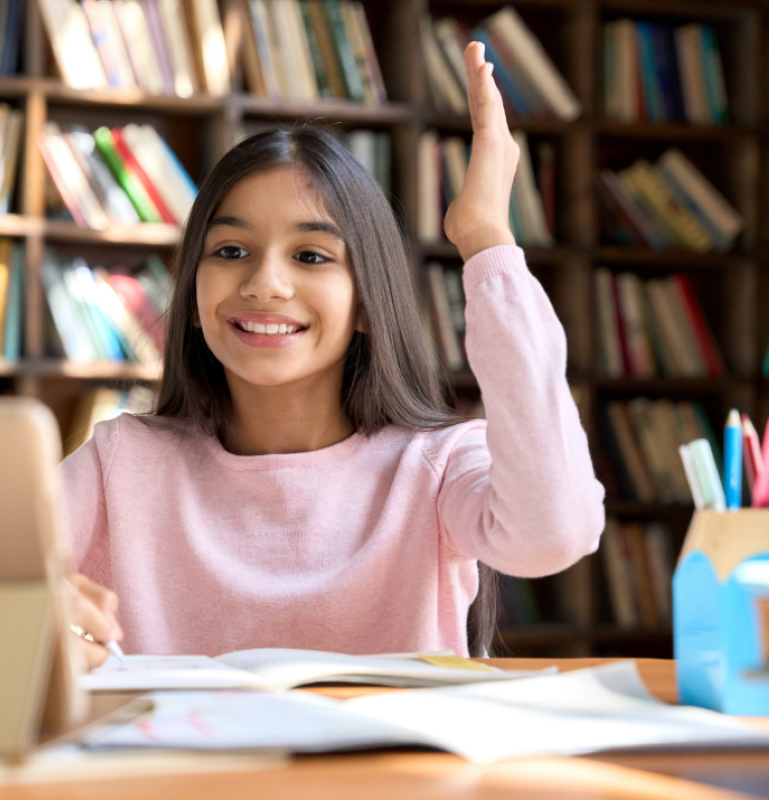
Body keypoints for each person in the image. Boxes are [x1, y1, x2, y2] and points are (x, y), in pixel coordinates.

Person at [64, 41, 604, 669]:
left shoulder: (434, 465)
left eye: (312, 256)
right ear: (191, 293)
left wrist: (485, 237)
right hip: (184, 765)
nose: (265, 283)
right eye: (230, 251)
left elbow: (554, 534)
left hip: (395, 768)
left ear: (370, 303)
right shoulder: (121, 464)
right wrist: (34, 609)